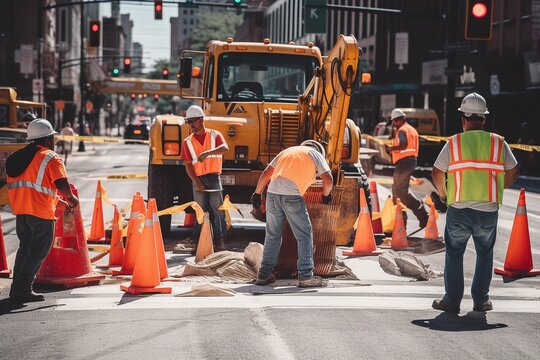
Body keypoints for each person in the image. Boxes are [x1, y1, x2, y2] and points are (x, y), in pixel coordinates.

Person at [431, 93, 519, 313]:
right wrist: (498, 186)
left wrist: (444, 194)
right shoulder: (498, 142)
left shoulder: (455, 142)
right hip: (487, 210)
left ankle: (452, 301)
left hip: (459, 208)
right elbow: (514, 170)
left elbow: (437, 171)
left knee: (454, 253)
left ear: (463, 118)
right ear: (484, 118)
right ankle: (481, 300)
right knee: (485, 254)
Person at [6, 118, 79, 303]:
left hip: (22, 211)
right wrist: (70, 198)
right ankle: (23, 289)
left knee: (26, 248)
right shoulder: (50, 157)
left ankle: (17, 288)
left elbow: (36, 187)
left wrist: (60, 202)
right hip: (40, 213)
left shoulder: (19, 157)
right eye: (52, 138)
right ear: (47, 139)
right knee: (38, 251)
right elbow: (61, 184)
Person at [251, 140, 333, 288]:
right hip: (292, 197)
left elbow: (266, 173)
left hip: (272, 195)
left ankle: (263, 275)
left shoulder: (286, 152)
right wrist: (326, 196)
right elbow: (328, 179)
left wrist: (257, 193)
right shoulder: (315, 154)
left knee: (272, 235)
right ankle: (306, 276)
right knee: (304, 235)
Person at [180, 105, 229, 253]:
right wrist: (197, 183)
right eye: (189, 122)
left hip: (214, 177)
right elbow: (188, 166)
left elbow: (225, 148)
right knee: (200, 212)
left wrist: (207, 153)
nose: (191, 126)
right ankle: (198, 242)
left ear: (201, 120)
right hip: (198, 178)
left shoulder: (215, 135)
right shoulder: (187, 142)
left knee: (218, 211)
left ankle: (220, 241)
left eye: (193, 122)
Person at [386, 108, 429, 228]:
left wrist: (390, 149)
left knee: (400, 192)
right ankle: (400, 222)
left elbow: (403, 144)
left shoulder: (402, 130)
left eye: (394, 121)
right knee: (396, 191)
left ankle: (422, 214)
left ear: (397, 120)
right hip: (409, 161)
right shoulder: (411, 129)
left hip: (404, 162)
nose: (394, 124)